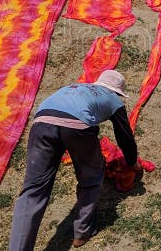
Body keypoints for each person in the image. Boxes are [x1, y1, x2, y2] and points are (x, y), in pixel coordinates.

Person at [9, 70, 141, 250]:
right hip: (76, 126)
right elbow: (124, 136)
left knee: (33, 190)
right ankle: (82, 232)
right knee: (92, 176)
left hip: (41, 122)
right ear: (117, 92)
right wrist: (132, 161)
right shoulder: (114, 100)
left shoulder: (75, 86)